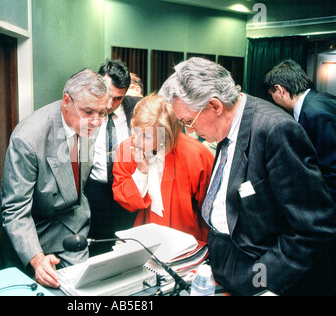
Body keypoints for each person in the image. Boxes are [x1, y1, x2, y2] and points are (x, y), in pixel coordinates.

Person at [159, 57, 335, 296]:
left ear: (215, 106)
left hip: (261, 277)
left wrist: (260, 283)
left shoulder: (275, 130)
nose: (190, 131)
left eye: (188, 122)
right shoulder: (224, 127)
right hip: (225, 271)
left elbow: (312, 228)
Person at [0, 69, 109, 289]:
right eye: (89, 112)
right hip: (35, 234)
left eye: (102, 112)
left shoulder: (90, 120)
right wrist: (37, 258)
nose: (96, 121)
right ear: (67, 101)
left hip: (74, 225)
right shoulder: (28, 139)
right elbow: (14, 210)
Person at [112, 95, 214, 242]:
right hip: (143, 235)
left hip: (188, 237)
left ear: (165, 136)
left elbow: (210, 209)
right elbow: (126, 200)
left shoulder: (195, 154)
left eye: (146, 136)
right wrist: (141, 170)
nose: (137, 140)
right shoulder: (126, 149)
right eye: (134, 130)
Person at [84, 60, 141, 255]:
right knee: (95, 248)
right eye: (108, 95)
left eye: (118, 98)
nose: (110, 104)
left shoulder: (138, 108)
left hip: (128, 191)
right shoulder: (84, 109)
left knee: (126, 248)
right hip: (94, 192)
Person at [264, 59, 336, 204]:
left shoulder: (315, 113)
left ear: (279, 89)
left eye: (272, 94)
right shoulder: (321, 99)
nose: (273, 99)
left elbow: (332, 169)